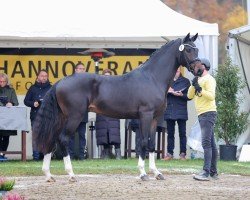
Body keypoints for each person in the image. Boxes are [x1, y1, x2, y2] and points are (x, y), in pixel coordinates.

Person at [187, 58, 218, 181]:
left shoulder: (209, 79)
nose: (195, 68)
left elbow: (211, 96)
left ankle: (206, 172)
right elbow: (189, 96)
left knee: (206, 143)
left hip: (208, 113)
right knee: (212, 144)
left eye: (197, 66)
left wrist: (199, 88)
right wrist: (193, 85)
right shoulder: (198, 80)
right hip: (202, 114)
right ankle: (213, 172)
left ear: (203, 67)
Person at [163, 67, 191, 160]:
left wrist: (181, 95)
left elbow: (190, 96)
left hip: (181, 110)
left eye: (178, 70)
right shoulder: (167, 81)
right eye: (175, 70)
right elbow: (159, 93)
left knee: (182, 133)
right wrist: (167, 91)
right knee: (170, 133)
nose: (176, 72)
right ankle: (169, 154)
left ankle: (183, 154)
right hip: (169, 110)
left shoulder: (186, 82)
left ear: (180, 71)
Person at [24, 69, 52, 161]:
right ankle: (36, 157)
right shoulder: (32, 88)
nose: (44, 78)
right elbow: (26, 101)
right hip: (35, 116)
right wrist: (33, 104)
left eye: (45, 76)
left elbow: (55, 101)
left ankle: (45, 157)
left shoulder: (51, 88)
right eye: (42, 76)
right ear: (38, 77)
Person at [95, 69, 121, 159]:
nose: (107, 77)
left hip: (113, 112)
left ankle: (118, 152)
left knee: (114, 133)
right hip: (101, 113)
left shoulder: (116, 87)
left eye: (109, 75)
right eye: (105, 75)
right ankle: (106, 153)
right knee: (104, 134)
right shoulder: (98, 87)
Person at [68, 62, 88, 160]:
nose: (82, 70)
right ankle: (70, 155)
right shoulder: (70, 82)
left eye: (83, 69)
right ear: (75, 70)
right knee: (70, 136)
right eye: (80, 68)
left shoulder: (87, 83)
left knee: (82, 136)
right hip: (72, 114)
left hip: (83, 114)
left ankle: (81, 156)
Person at [0, 73, 19, 160]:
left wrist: (11, 103)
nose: (2, 83)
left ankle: (2, 155)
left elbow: (16, 102)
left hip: (8, 118)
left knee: (6, 136)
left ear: (7, 81)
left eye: (4, 81)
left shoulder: (11, 90)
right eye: (0, 81)